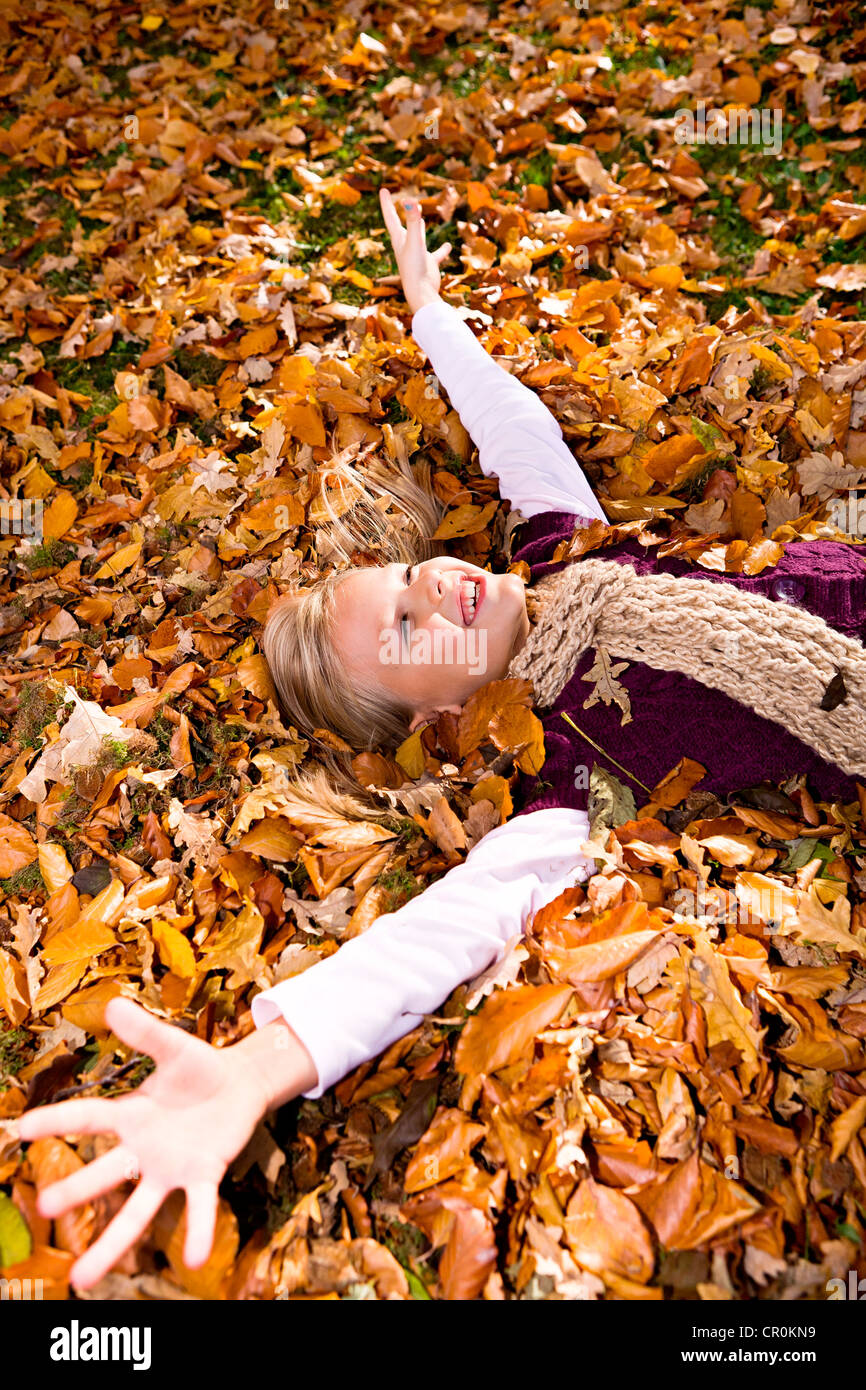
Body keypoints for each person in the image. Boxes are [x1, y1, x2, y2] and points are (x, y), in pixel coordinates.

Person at [14, 188, 866, 1293]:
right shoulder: (570, 772)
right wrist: (255, 1068)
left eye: (411, 579)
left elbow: (514, 429)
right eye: (410, 630)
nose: (439, 591)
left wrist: (429, 312)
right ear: (433, 717)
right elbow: (434, 938)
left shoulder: (562, 545)